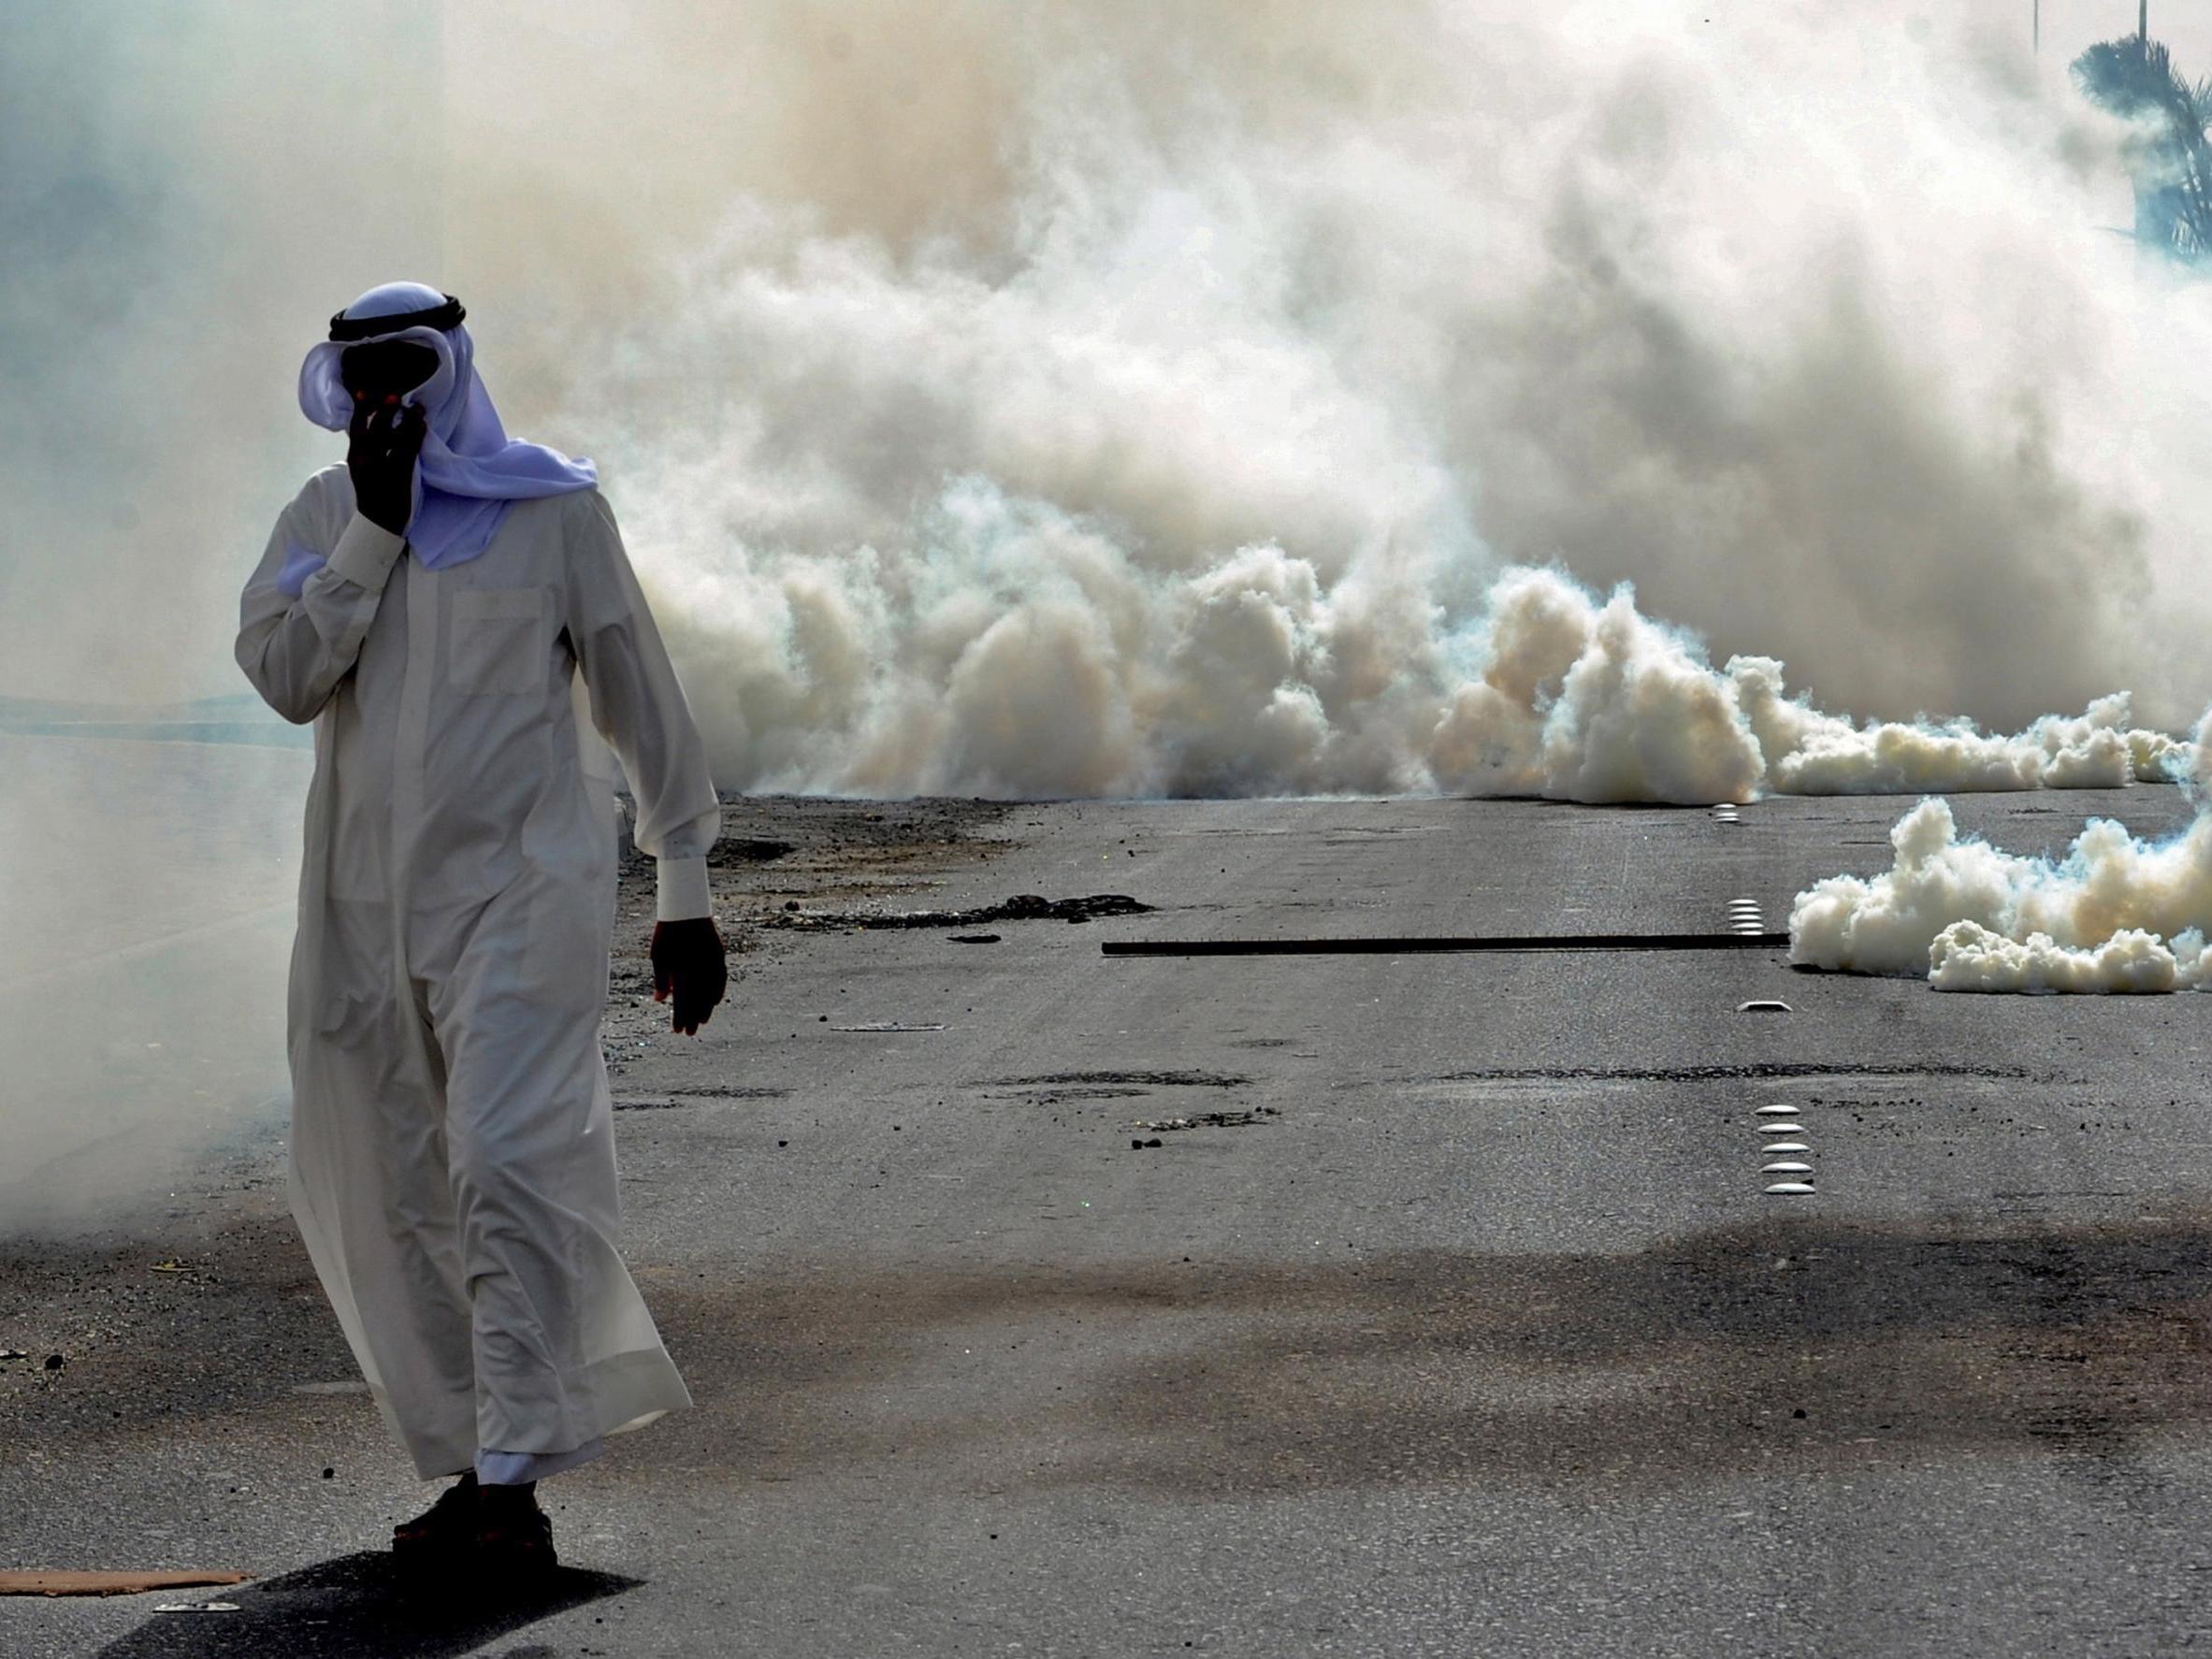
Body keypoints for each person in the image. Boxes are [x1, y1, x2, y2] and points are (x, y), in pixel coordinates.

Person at [235, 281, 727, 1584]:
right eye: (361, 380)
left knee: (506, 1161)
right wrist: (374, 533)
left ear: (449, 369)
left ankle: (514, 1483)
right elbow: (286, 679)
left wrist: (683, 884)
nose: (384, 399)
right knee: (401, 1185)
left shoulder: (554, 511)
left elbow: (638, 693)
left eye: (406, 370)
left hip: (523, 896)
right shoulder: (323, 517)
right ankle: (475, 1464)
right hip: (361, 910)